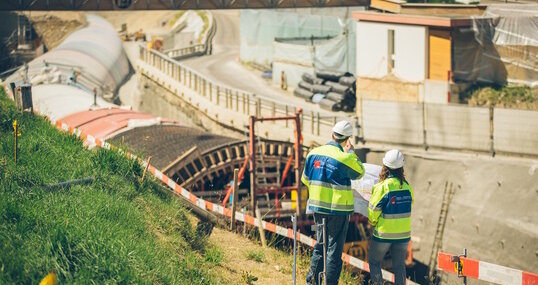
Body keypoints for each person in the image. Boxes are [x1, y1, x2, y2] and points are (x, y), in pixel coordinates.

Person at [302, 120, 365, 285]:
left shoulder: (312, 154)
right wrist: (350, 152)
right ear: (346, 139)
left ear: (332, 134)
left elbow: (305, 179)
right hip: (338, 210)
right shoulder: (344, 158)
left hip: (317, 207)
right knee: (334, 251)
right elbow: (360, 172)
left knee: (320, 245)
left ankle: (312, 282)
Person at [368, 149, 414, 285]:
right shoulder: (407, 187)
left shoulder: (382, 187)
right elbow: (410, 204)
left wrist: (373, 222)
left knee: (374, 261)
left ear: (385, 166)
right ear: (401, 167)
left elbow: (373, 210)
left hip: (384, 234)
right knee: (399, 266)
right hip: (403, 235)